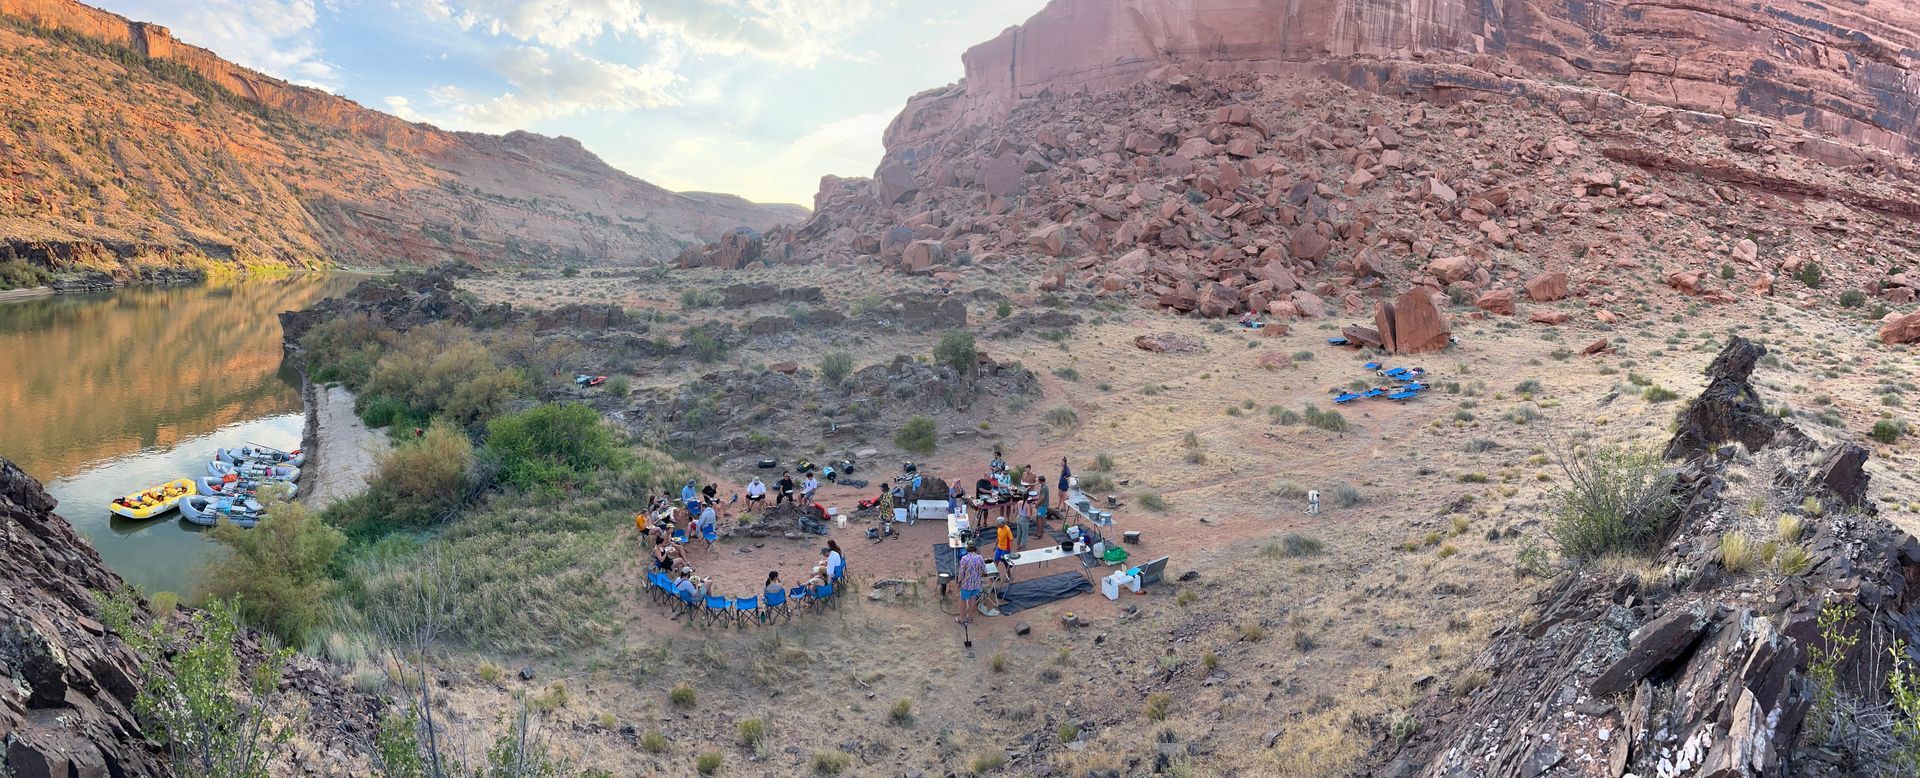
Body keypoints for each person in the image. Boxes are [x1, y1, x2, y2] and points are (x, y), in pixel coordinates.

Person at [956, 544, 986, 624]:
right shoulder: (980, 557)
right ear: (975, 549)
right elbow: (984, 570)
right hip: (976, 584)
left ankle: (961, 618)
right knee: (972, 599)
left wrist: (959, 582)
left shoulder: (964, 559)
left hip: (966, 584)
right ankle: (970, 618)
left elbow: (961, 572)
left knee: (963, 599)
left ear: (967, 549)